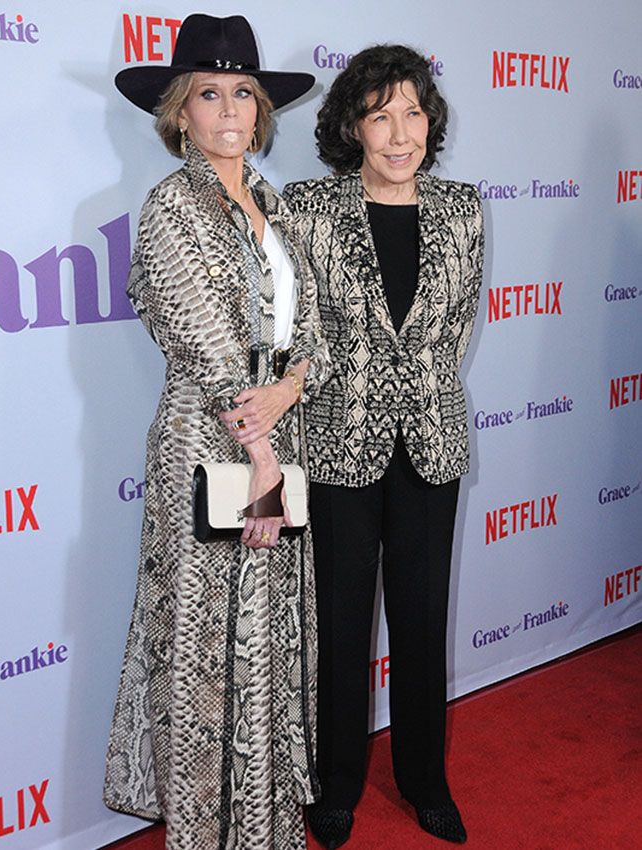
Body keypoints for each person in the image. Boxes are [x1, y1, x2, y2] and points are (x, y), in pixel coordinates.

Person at [103, 14, 330, 850]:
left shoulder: (270, 201)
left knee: (266, 632)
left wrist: (293, 387)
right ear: (180, 111)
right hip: (213, 446)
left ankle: (263, 826)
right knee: (205, 641)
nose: (229, 108)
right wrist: (264, 450)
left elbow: (309, 328)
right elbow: (202, 337)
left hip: (275, 436)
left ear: (261, 108)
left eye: (243, 92)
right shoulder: (171, 205)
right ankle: (207, 832)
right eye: (210, 93)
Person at [284, 44, 484, 847]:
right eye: (379, 115)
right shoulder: (309, 208)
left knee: (422, 618)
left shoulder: (463, 207)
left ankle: (425, 779)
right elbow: (297, 328)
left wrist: (414, 388)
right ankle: (336, 786)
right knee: (338, 622)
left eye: (413, 112)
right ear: (351, 127)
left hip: (430, 439)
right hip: (340, 438)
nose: (400, 133)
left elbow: (456, 326)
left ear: (430, 121)